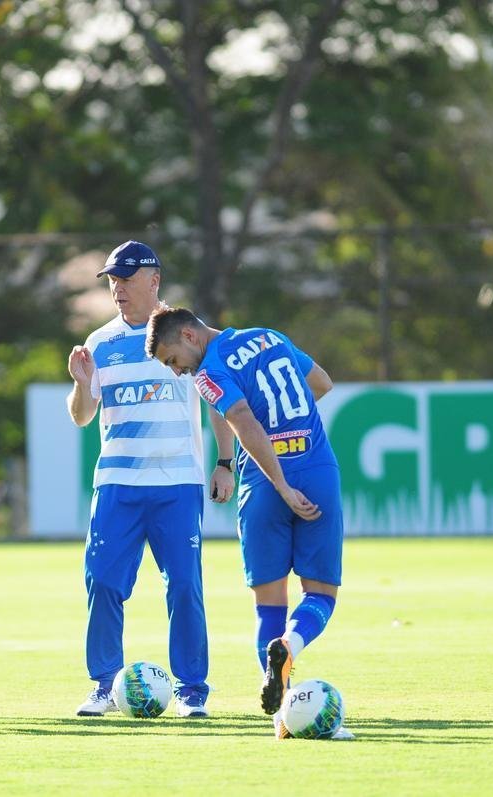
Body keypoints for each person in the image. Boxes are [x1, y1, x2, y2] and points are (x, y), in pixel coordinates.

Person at [145, 306, 353, 740]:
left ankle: (282, 717)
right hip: (316, 468)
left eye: (172, 359)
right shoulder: (270, 336)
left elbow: (241, 419)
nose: (178, 371)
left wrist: (278, 482)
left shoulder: (209, 373)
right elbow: (322, 383)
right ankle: (291, 648)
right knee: (321, 597)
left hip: (262, 482)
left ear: (190, 335)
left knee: (269, 604)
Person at [67, 241, 236, 719]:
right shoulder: (100, 343)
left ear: (153, 281)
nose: (117, 288)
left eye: (125, 279)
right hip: (118, 486)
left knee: (184, 585)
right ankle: (103, 684)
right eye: (112, 281)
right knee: (102, 582)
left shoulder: (186, 334)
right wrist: (82, 386)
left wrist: (225, 462)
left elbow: (217, 400)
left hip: (178, 485)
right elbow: (82, 417)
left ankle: (192, 689)